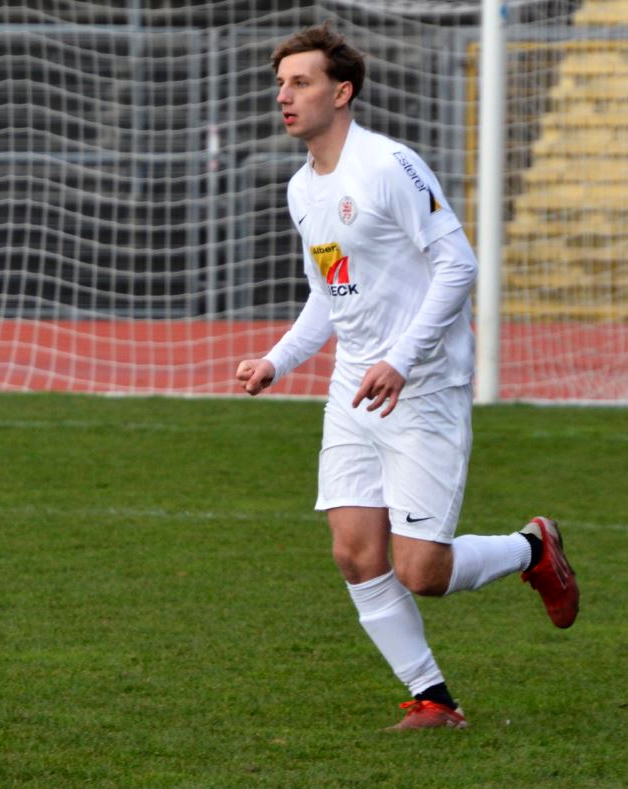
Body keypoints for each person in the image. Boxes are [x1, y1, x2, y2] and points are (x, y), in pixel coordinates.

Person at [236, 23, 579, 730]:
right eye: (280, 84)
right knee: (354, 553)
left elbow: (459, 265)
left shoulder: (390, 165)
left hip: (422, 388)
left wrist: (402, 359)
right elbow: (329, 294)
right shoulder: (302, 189)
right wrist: (277, 360)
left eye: (300, 82)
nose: (283, 96)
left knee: (423, 571)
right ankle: (435, 700)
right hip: (354, 388)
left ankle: (533, 547)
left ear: (342, 92)